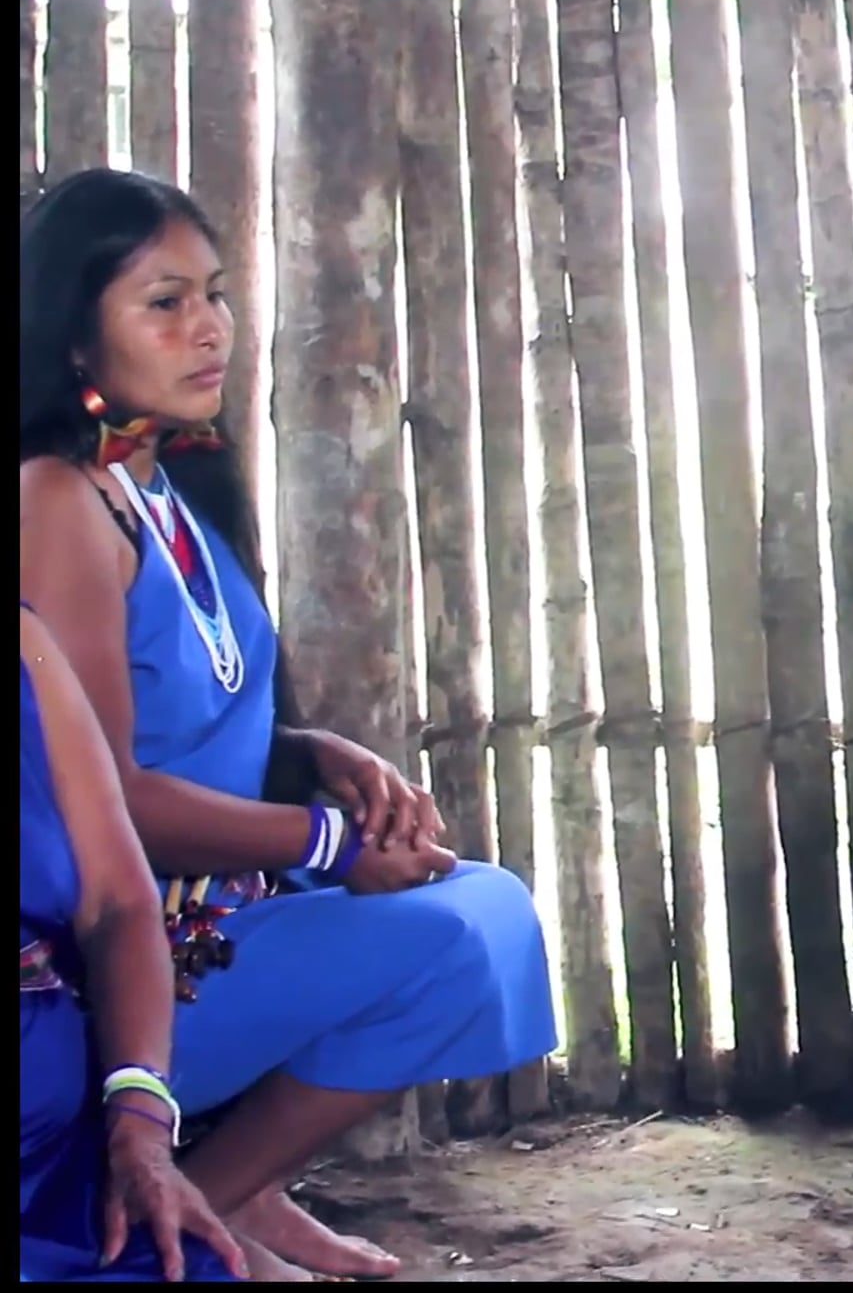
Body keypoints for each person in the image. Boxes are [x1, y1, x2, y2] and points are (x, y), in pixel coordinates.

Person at [18, 167, 561, 1282]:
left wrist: (311, 756)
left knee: (488, 908)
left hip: (225, 907)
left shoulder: (169, 483)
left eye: (214, 294)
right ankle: (159, 1234)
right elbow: (105, 804)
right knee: (450, 943)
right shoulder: (56, 501)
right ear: (75, 337)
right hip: (117, 971)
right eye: (164, 303)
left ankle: (221, 1200)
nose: (208, 327)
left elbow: (189, 706)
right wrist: (327, 843)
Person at [22, 602, 251, 1283]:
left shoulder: (27, 645)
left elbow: (118, 904)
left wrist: (141, 1114)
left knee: (197, 1267)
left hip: (57, 1178)